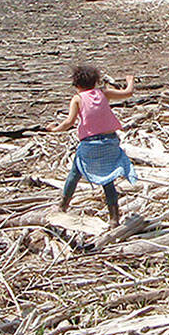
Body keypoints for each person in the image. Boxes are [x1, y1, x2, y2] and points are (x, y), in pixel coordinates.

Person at [47, 66, 137, 227]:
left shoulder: (77, 99)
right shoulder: (104, 93)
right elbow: (127, 93)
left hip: (90, 144)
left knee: (74, 174)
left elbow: (69, 122)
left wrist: (54, 129)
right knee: (107, 179)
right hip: (110, 142)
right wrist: (130, 81)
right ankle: (114, 217)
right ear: (95, 81)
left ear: (76, 84)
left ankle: (63, 206)